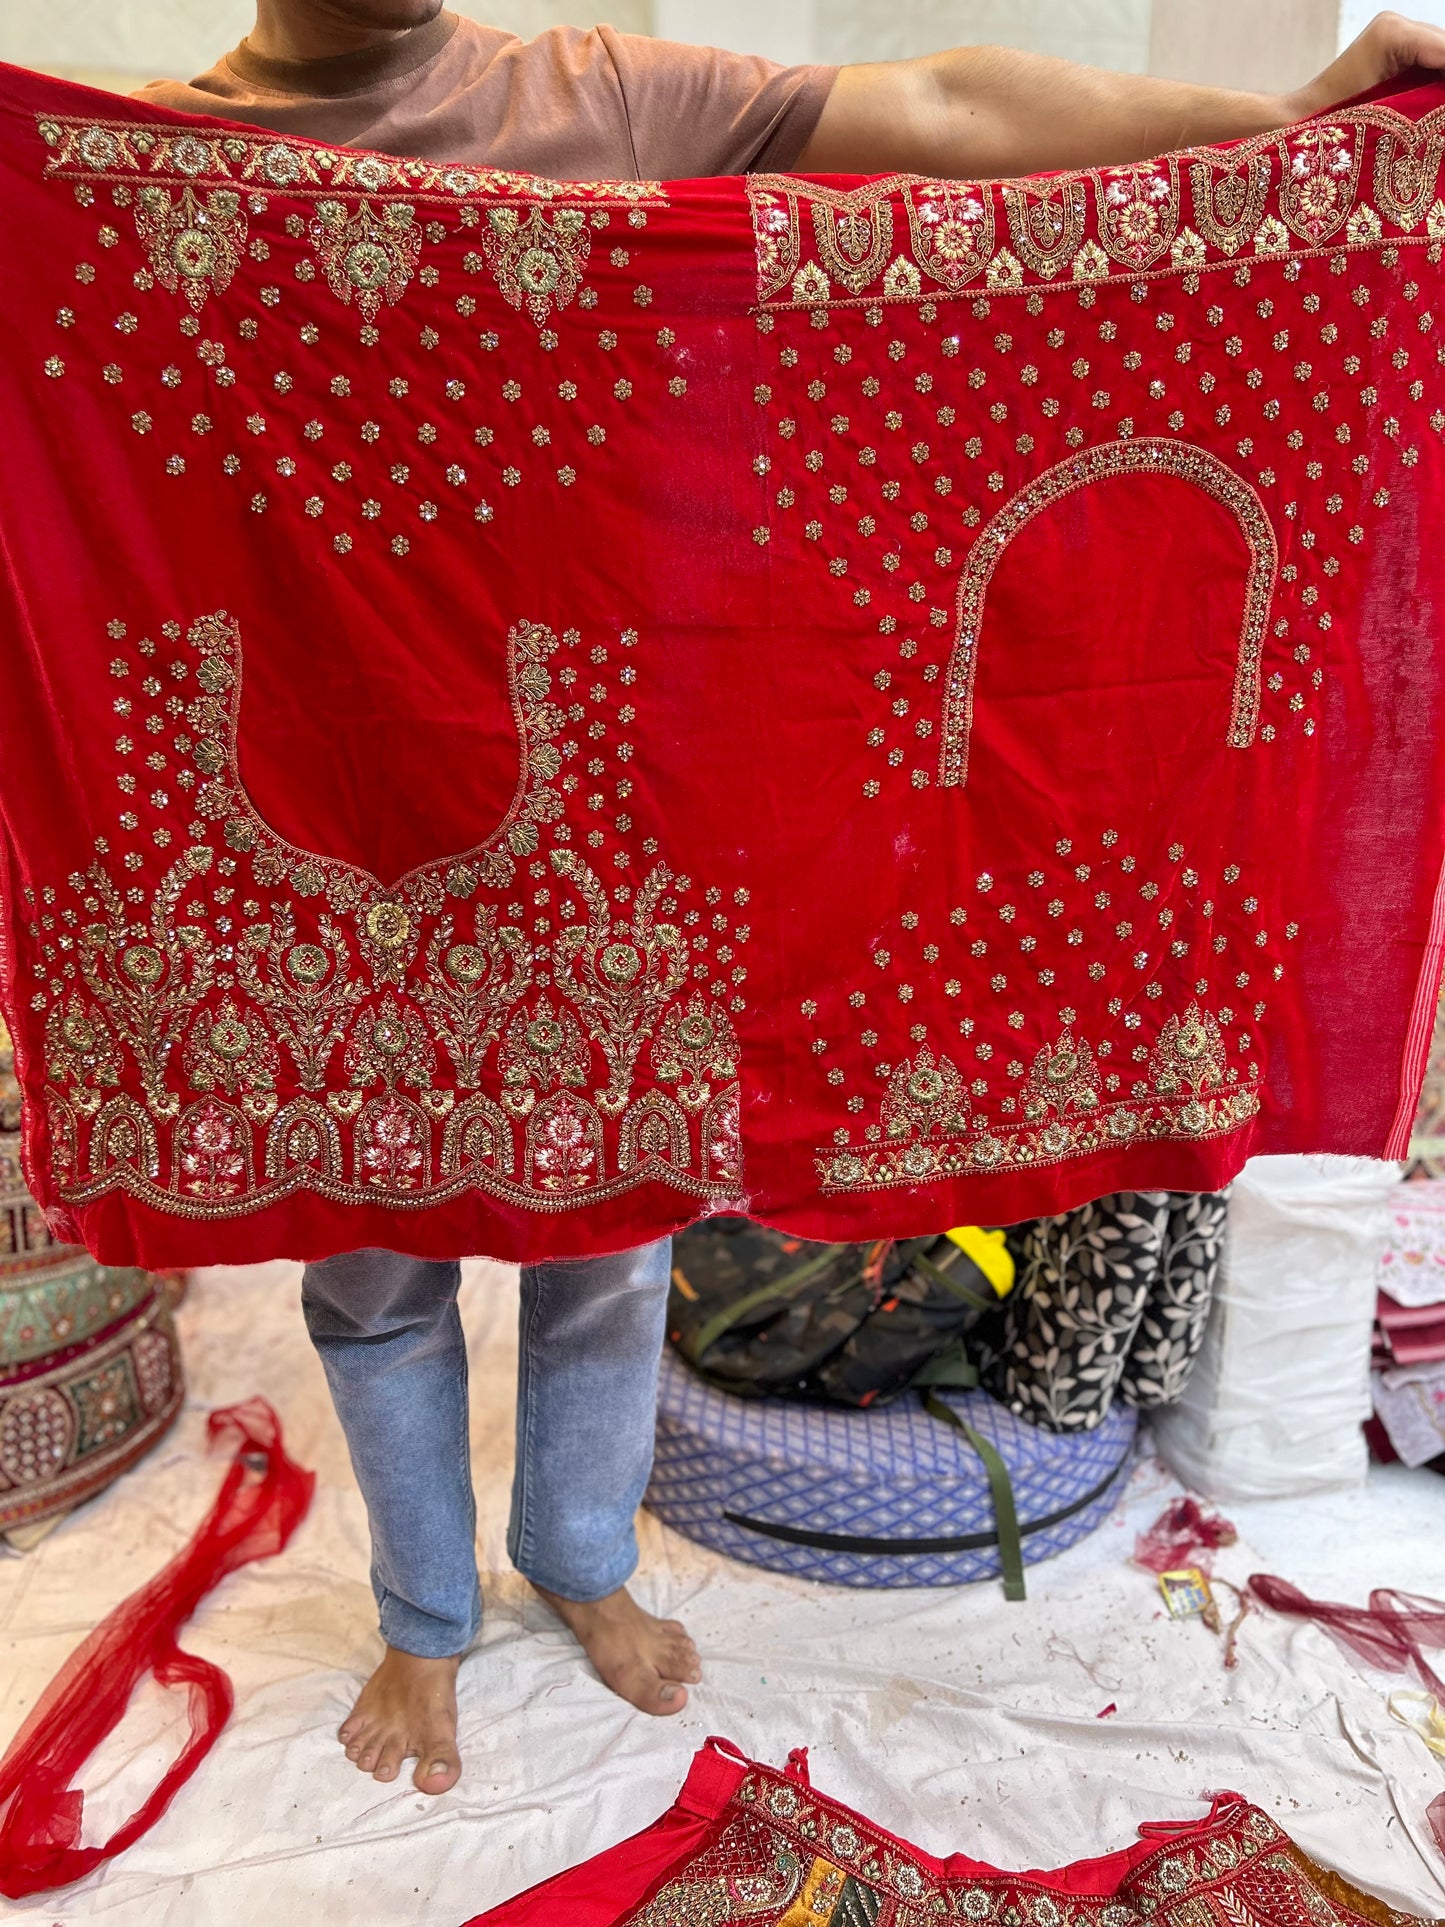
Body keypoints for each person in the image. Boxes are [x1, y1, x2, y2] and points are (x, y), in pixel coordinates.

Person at [141, 2, 1445, 1799]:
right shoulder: (118, 163)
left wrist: (1280, 120)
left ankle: (578, 1564)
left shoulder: (585, 95)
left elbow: (937, 101)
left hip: (598, 809)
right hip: (296, 820)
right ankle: (422, 1619)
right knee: (375, 1280)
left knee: (607, 1249)